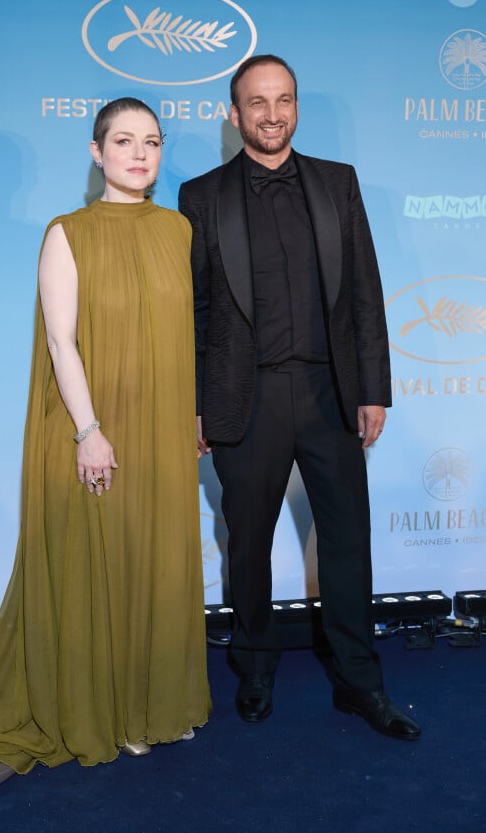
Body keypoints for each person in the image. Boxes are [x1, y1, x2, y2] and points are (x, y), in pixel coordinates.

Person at [0, 97, 211, 827]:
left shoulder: (179, 230)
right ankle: (107, 712)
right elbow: (61, 341)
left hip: (165, 432)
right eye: (124, 141)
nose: (140, 154)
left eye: (153, 142)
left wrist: (194, 415)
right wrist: (90, 431)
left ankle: (155, 705)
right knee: (104, 567)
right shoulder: (66, 233)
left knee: (156, 564)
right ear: (96, 151)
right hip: (92, 431)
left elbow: (185, 338)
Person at [178, 55, 420, 741]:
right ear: (234, 114)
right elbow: (195, 311)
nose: (272, 113)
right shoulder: (201, 196)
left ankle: (360, 683)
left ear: (296, 107)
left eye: (283, 100)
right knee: (247, 546)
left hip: (328, 390)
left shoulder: (337, 184)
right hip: (243, 398)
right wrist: (197, 402)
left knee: (346, 542)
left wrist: (373, 388)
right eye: (257, 102)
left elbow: (366, 291)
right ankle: (254, 671)